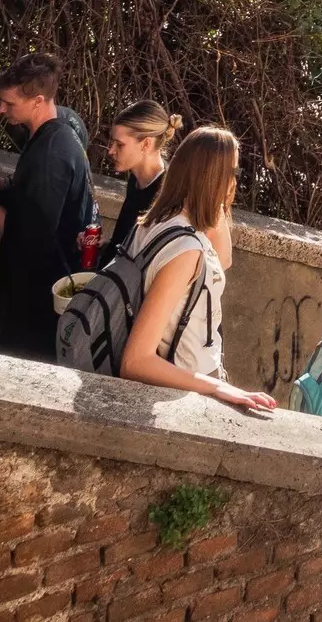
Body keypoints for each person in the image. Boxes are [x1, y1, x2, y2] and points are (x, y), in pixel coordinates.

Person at [116, 126, 275, 413]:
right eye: (233, 174)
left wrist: (217, 202)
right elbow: (136, 360)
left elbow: (223, 260)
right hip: (183, 390)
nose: (235, 182)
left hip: (187, 380)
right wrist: (219, 387)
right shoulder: (186, 250)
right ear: (215, 178)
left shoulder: (154, 224)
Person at [0, 54, 97, 360]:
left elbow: (29, 240)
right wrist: (3, 187)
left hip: (32, 299)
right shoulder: (68, 123)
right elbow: (41, 201)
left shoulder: (50, 156)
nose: (0, 109)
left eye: (10, 103)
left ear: (38, 100)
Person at [101, 100, 181, 264]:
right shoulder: (135, 179)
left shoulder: (168, 193)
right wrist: (104, 246)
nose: (111, 151)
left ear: (146, 144)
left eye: (120, 144)